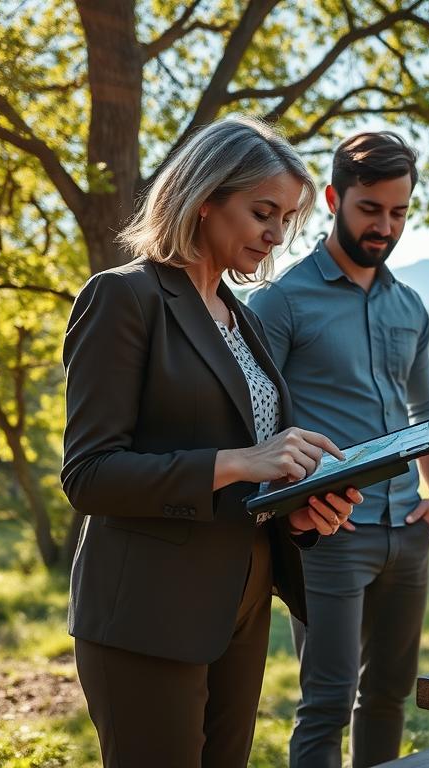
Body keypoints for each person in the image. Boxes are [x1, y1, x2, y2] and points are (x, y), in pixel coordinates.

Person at [61, 115, 362, 768]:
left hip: (241, 604)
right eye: (263, 212)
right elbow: (88, 474)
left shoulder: (244, 320)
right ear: (205, 201)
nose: (277, 234)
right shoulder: (123, 298)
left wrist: (300, 504)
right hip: (149, 613)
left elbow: (246, 476)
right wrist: (239, 461)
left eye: (286, 218)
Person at [249, 132, 429, 768]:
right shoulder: (281, 301)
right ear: (335, 198)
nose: (384, 226)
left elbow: (428, 411)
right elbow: (251, 420)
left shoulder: (410, 305)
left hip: (406, 530)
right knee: (327, 703)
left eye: (398, 212)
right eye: (370, 209)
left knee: (390, 696)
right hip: (328, 534)